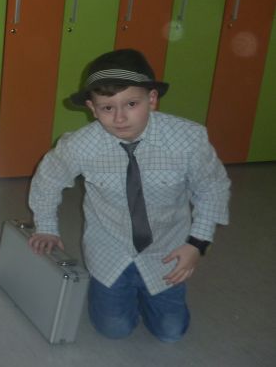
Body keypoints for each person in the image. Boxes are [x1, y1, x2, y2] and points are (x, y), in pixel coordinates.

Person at [27, 48, 230, 342]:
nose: (120, 118)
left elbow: (213, 187)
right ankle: (117, 296)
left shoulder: (188, 139)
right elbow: (47, 180)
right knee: (114, 329)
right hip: (110, 250)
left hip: (167, 250)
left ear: (152, 99)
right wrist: (46, 226)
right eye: (107, 108)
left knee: (171, 332)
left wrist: (197, 244)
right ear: (92, 108)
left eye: (131, 104)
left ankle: (152, 296)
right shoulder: (79, 145)